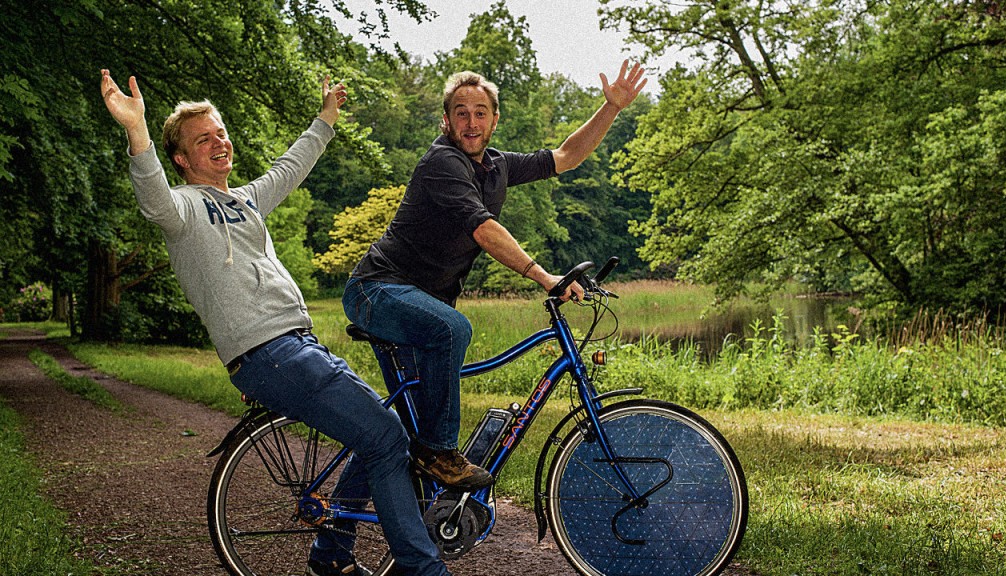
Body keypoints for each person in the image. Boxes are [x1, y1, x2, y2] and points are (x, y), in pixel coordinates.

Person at [100, 69, 451, 576]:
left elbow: (289, 167)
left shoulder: (243, 200)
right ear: (181, 159)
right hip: (271, 353)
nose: (219, 142)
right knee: (386, 438)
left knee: (380, 431)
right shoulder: (184, 210)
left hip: (296, 347)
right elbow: (152, 195)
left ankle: (331, 555)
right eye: (204, 139)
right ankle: (424, 570)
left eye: (220, 132)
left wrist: (326, 118)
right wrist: (138, 131)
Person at [342, 61, 647, 490]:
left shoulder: (498, 166)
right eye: (461, 113)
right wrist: (545, 277)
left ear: (494, 120)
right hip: (376, 290)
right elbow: (484, 230)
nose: (471, 121)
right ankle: (442, 454)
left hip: (413, 303)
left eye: (480, 112)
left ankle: (334, 540)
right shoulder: (442, 163)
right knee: (452, 329)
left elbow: (565, 156)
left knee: (396, 434)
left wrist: (611, 108)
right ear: (446, 121)